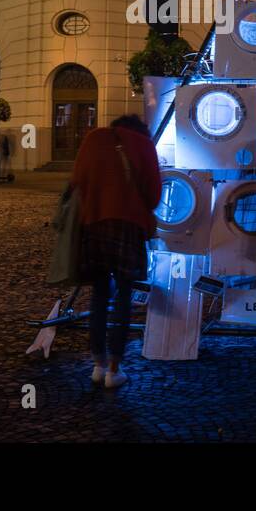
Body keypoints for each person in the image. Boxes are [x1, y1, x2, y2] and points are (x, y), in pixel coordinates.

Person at [69, 115, 162, 388]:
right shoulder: (144, 145)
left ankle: (97, 365)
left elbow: (77, 181)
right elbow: (154, 195)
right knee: (123, 298)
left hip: (94, 225)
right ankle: (114, 369)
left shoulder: (93, 139)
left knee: (98, 295)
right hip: (128, 228)